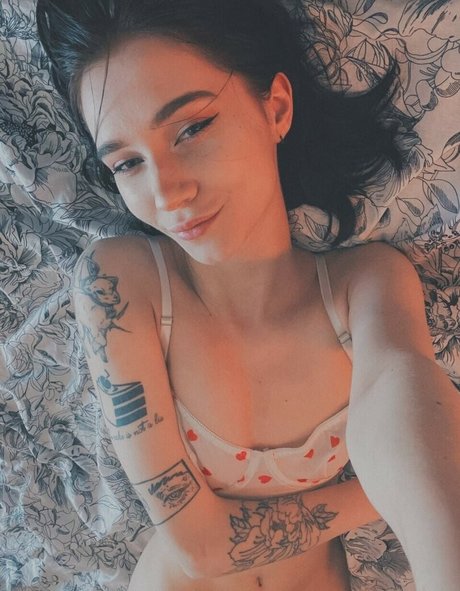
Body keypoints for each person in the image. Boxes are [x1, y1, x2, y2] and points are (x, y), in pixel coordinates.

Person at [36, 1, 460, 590]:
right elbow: (201, 548)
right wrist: (383, 495)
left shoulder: (366, 285)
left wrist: (432, 511)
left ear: (275, 107)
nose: (168, 193)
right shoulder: (121, 286)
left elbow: (408, 409)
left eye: (192, 128)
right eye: (128, 163)